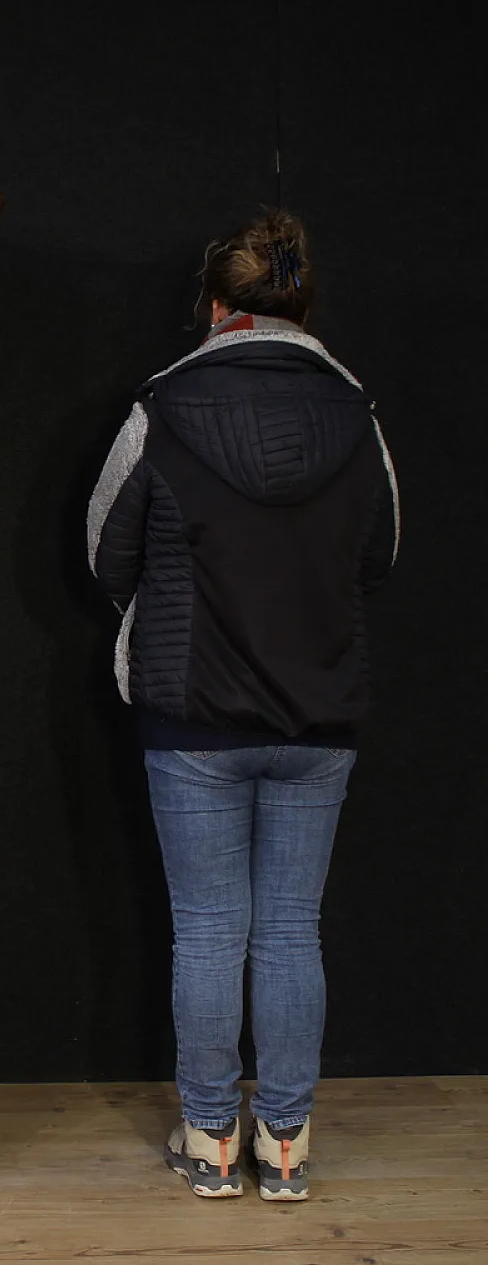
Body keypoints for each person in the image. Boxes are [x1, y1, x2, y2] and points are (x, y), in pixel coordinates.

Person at [87, 210, 399, 1202]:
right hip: (319, 713)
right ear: (297, 304)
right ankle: (287, 1145)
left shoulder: (162, 409)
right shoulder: (357, 414)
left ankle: (210, 1139)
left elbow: (104, 553)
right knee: (290, 927)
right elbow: (380, 554)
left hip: (192, 713)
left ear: (216, 306)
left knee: (209, 926)